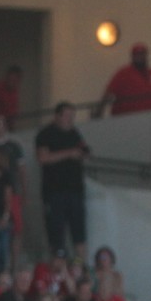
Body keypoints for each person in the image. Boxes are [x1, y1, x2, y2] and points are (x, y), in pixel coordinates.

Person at [33, 102, 90, 260]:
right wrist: (68, 153)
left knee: (79, 235)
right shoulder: (45, 134)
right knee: (56, 235)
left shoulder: (75, 133)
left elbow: (84, 150)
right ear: (57, 116)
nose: (70, 120)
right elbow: (43, 157)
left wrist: (81, 153)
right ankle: (58, 271)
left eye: (72, 116)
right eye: (67, 116)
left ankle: (81, 269)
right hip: (54, 192)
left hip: (75, 191)